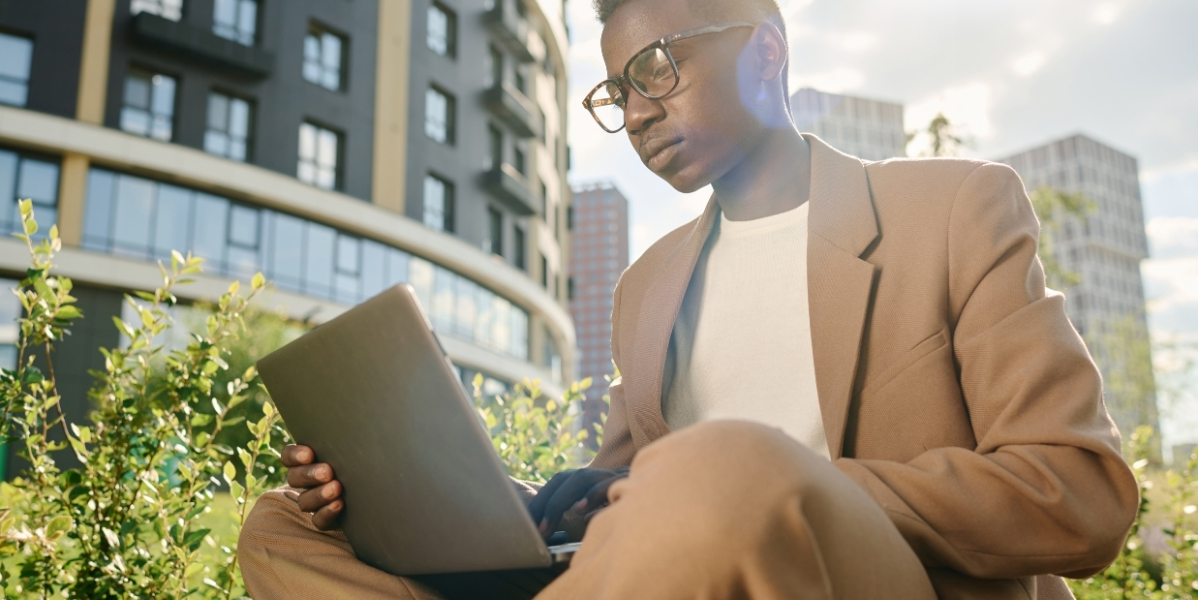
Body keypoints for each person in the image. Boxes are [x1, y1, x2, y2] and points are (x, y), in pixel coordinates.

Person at [239, 0, 1139, 598]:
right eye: (613, 91)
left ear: (767, 51)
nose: (633, 112)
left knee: (721, 467)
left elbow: (1078, 492)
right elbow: (620, 505)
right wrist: (447, 495)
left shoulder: (950, 209)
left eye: (658, 68)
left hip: (880, 582)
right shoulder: (646, 286)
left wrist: (786, 483)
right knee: (283, 526)